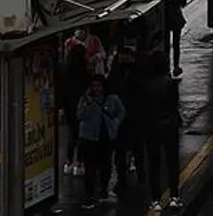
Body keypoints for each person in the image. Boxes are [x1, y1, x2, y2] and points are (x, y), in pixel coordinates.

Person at [142, 52, 183, 211]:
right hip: (169, 126)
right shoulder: (170, 84)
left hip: (152, 126)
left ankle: (155, 199)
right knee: (172, 162)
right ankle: (174, 195)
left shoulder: (145, 84)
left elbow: (142, 108)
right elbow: (174, 105)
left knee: (154, 163)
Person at [76, 75, 125, 208]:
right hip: (89, 138)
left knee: (106, 166)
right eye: (93, 86)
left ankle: (103, 191)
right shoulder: (85, 100)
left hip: (106, 138)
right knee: (90, 168)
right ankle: (89, 195)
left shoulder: (112, 99)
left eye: (98, 86)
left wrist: (115, 123)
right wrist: (89, 102)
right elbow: (80, 115)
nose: (96, 89)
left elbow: (121, 112)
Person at [107, 41, 147, 194]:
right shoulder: (115, 73)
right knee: (120, 151)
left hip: (134, 116)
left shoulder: (137, 72)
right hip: (120, 118)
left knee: (136, 149)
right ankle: (122, 179)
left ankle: (141, 175)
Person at [60, 42, 90, 176]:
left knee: (72, 133)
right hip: (82, 104)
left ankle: (68, 161)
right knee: (82, 134)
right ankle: (79, 162)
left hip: (68, 105)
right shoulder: (84, 71)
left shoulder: (65, 69)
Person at [164, 0, 186, 77]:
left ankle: (166, 68)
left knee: (166, 45)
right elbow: (183, 3)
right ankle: (176, 66)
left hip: (165, 20)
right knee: (176, 44)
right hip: (176, 19)